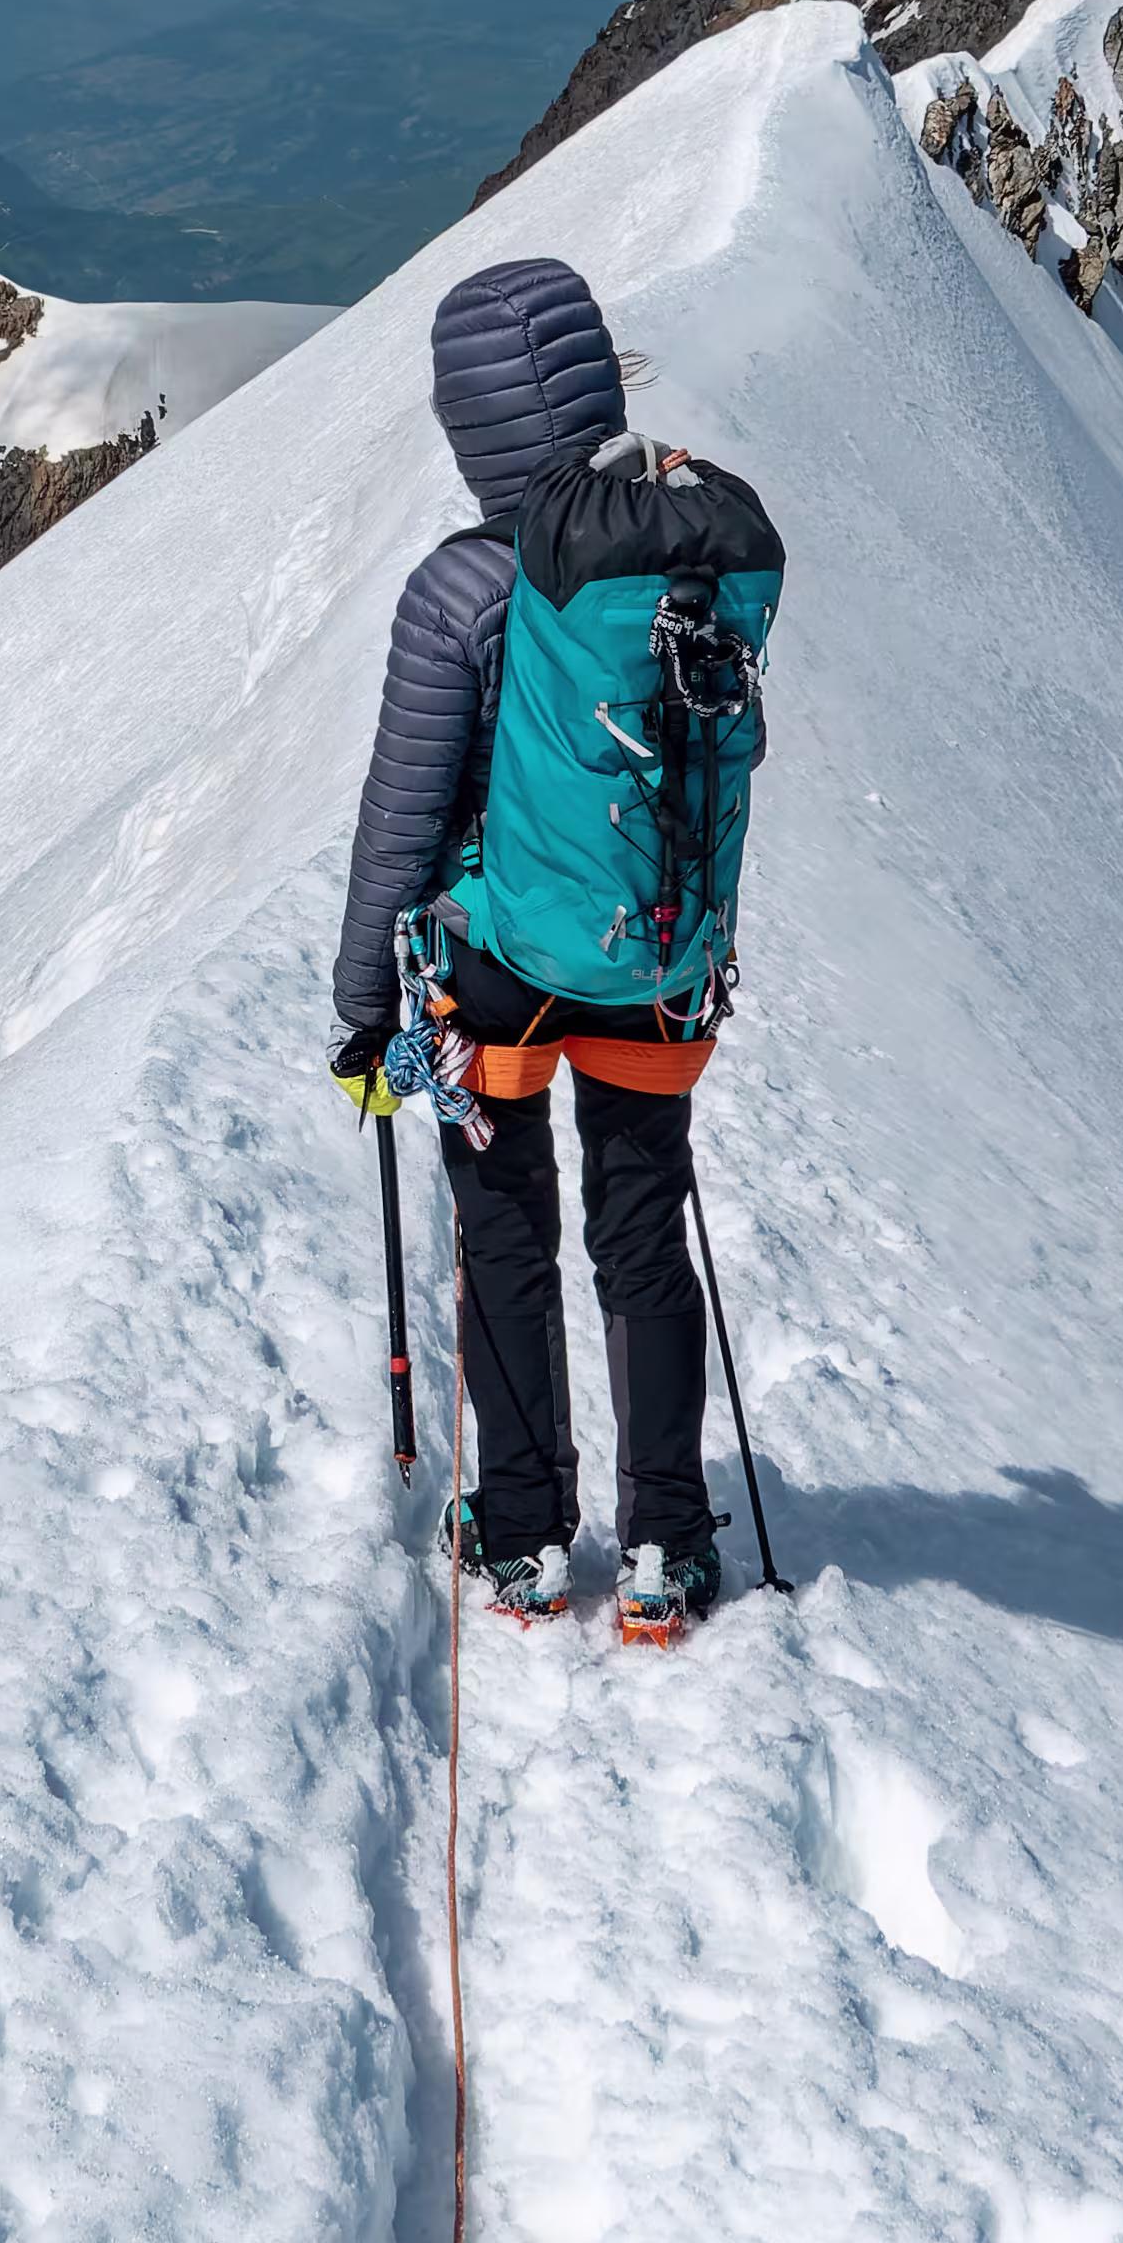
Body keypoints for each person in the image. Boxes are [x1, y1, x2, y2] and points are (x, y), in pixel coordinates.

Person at [330, 255, 728, 1641]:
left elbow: (402, 816)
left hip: (493, 972)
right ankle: (667, 1542)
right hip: (655, 957)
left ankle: (523, 1536)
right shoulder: (686, 550)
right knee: (643, 1236)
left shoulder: (459, 588)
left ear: (472, 423)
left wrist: (365, 1006)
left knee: (504, 1236)